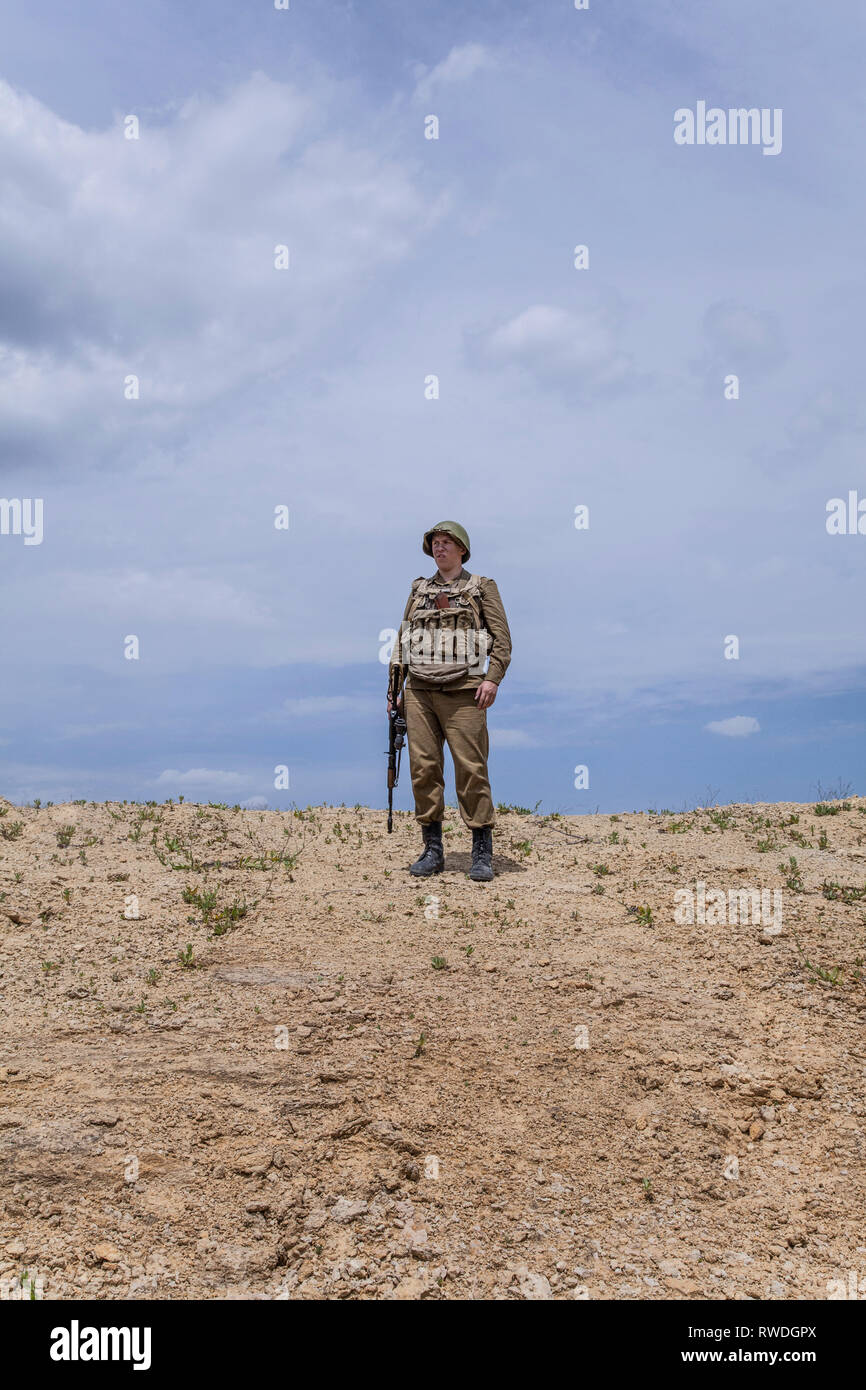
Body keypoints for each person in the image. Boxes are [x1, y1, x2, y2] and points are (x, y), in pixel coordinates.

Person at [387, 521, 512, 882]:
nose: (440, 548)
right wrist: (395, 688)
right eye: (435, 544)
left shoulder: (481, 587)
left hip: (465, 689)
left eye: (447, 543)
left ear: (462, 549)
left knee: (471, 768)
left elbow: (502, 640)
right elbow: (403, 638)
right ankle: (432, 849)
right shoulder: (419, 589)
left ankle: (481, 851)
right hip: (419, 690)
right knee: (424, 768)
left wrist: (492, 679)